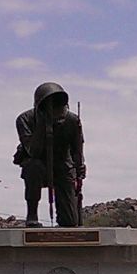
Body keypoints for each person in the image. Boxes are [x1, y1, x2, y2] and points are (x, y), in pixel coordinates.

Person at [14, 81, 84, 226]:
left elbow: (77, 150)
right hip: (38, 164)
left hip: (62, 166)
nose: (56, 110)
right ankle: (32, 215)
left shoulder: (72, 121)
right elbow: (33, 151)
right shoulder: (24, 120)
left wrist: (79, 169)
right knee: (33, 167)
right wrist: (43, 125)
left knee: (70, 222)